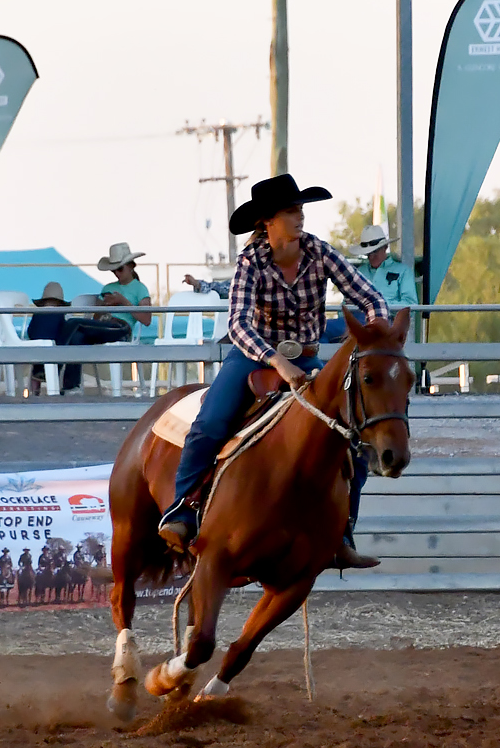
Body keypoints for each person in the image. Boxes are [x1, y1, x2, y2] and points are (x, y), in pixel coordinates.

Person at [160, 174, 389, 569]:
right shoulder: (252, 261)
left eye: (300, 210)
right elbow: (238, 324)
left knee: (353, 440)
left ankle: (342, 532)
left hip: (308, 358)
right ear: (268, 221)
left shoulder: (319, 252)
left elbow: (370, 296)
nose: (300, 217)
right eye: (290, 211)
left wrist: (378, 333)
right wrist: (277, 361)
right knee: (210, 423)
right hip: (254, 358)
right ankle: (182, 511)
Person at [325, 224, 418, 342]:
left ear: (385, 247)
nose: (371, 256)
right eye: (368, 253)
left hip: (385, 321)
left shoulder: (403, 271)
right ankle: (325, 360)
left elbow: (411, 306)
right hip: (356, 322)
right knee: (321, 329)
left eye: (375, 251)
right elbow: (344, 304)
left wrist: (377, 305)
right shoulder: (359, 271)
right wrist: (348, 312)